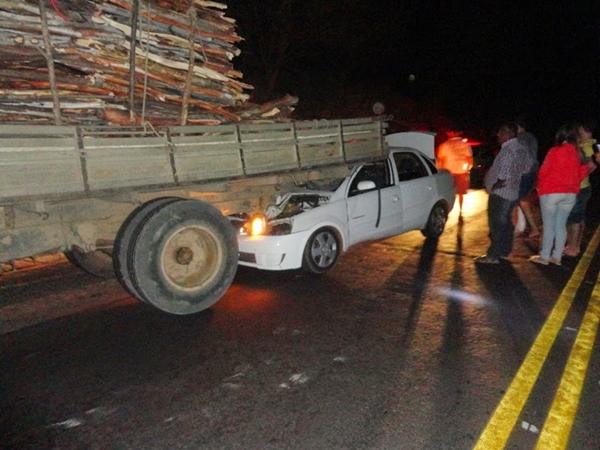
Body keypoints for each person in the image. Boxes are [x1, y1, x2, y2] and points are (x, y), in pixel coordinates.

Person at [529, 124, 598, 266]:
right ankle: (557, 257)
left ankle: (544, 257)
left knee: (549, 226)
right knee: (561, 225)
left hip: (551, 192)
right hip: (570, 194)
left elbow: (543, 171)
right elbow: (583, 171)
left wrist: (539, 186)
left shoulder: (555, 150)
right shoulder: (578, 152)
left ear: (560, 136)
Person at [475, 123, 535, 264]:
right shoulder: (521, 149)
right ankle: (504, 251)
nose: (498, 135)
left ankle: (493, 255)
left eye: (500, 132)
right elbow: (527, 168)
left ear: (508, 133)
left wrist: (494, 186)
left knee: (497, 225)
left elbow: (503, 175)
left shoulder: (508, 150)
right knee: (506, 223)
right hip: (512, 192)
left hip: (501, 193)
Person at [564, 121, 596, 257]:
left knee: (573, 218)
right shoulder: (591, 145)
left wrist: (576, 178)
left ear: (583, 130)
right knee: (578, 217)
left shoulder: (589, 147)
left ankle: (573, 247)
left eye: (578, 131)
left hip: (580, 187)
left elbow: (592, 165)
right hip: (583, 186)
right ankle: (574, 245)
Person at [436, 130, 473, 213]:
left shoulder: (444, 145)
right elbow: (470, 160)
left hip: (448, 174)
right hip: (461, 173)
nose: (447, 133)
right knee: (460, 193)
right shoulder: (466, 145)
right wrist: (467, 169)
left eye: (450, 132)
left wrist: (440, 171)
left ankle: (447, 209)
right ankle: (460, 208)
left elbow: (440, 161)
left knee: (447, 192)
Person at [515, 118, 541, 238]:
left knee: (522, 200)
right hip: (534, 171)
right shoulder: (532, 137)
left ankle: (533, 228)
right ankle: (522, 226)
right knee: (523, 200)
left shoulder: (520, 139)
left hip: (525, 173)